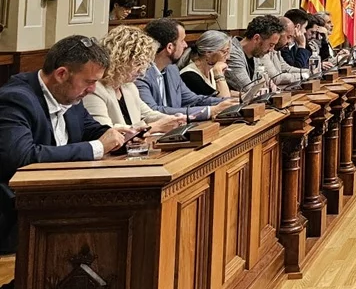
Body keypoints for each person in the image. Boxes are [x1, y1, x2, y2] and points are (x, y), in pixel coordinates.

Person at [0, 38, 125, 255]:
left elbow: (92, 129)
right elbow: (21, 157)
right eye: (89, 81)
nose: (93, 89)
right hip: (15, 221)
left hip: (57, 208)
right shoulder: (16, 99)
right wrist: (97, 147)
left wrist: (122, 136)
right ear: (61, 74)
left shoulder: (71, 97)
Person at [83, 27, 184, 133]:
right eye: (138, 64)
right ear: (120, 60)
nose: (142, 71)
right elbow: (105, 133)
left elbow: (148, 115)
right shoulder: (94, 89)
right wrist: (153, 128)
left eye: (145, 64)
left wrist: (173, 119)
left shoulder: (129, 87)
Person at [137, 19, 227, 120]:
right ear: (170, 47)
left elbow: (193, 100)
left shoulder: (172, 70)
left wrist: (227, 102)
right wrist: (210, 111)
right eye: (182, 40)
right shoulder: (140, 74)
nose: (186, 45)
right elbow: (154, 112)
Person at [225, 15, 287, 92]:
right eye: (271, 45)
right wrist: (265, 89)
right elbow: (249, 90)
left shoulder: (256, 54)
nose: (271, 50)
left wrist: (270, 85)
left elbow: (262, 82)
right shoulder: (232, 54)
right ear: (256, 38)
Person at [180, 30, 235, 98]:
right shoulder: (190, 76)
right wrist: (219, 74)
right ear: (208, 52)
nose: (228, 57)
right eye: (224, 52)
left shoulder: (210, 70)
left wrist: (243, 95)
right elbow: (223, 100)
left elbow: (224, 92)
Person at [260, 15, 307, 88]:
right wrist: (303, 75)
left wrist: (309, 72)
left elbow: (287, 68)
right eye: (288, 37)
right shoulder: (263, 50)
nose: (289, 42)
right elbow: (276, 78)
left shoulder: (277, 49)